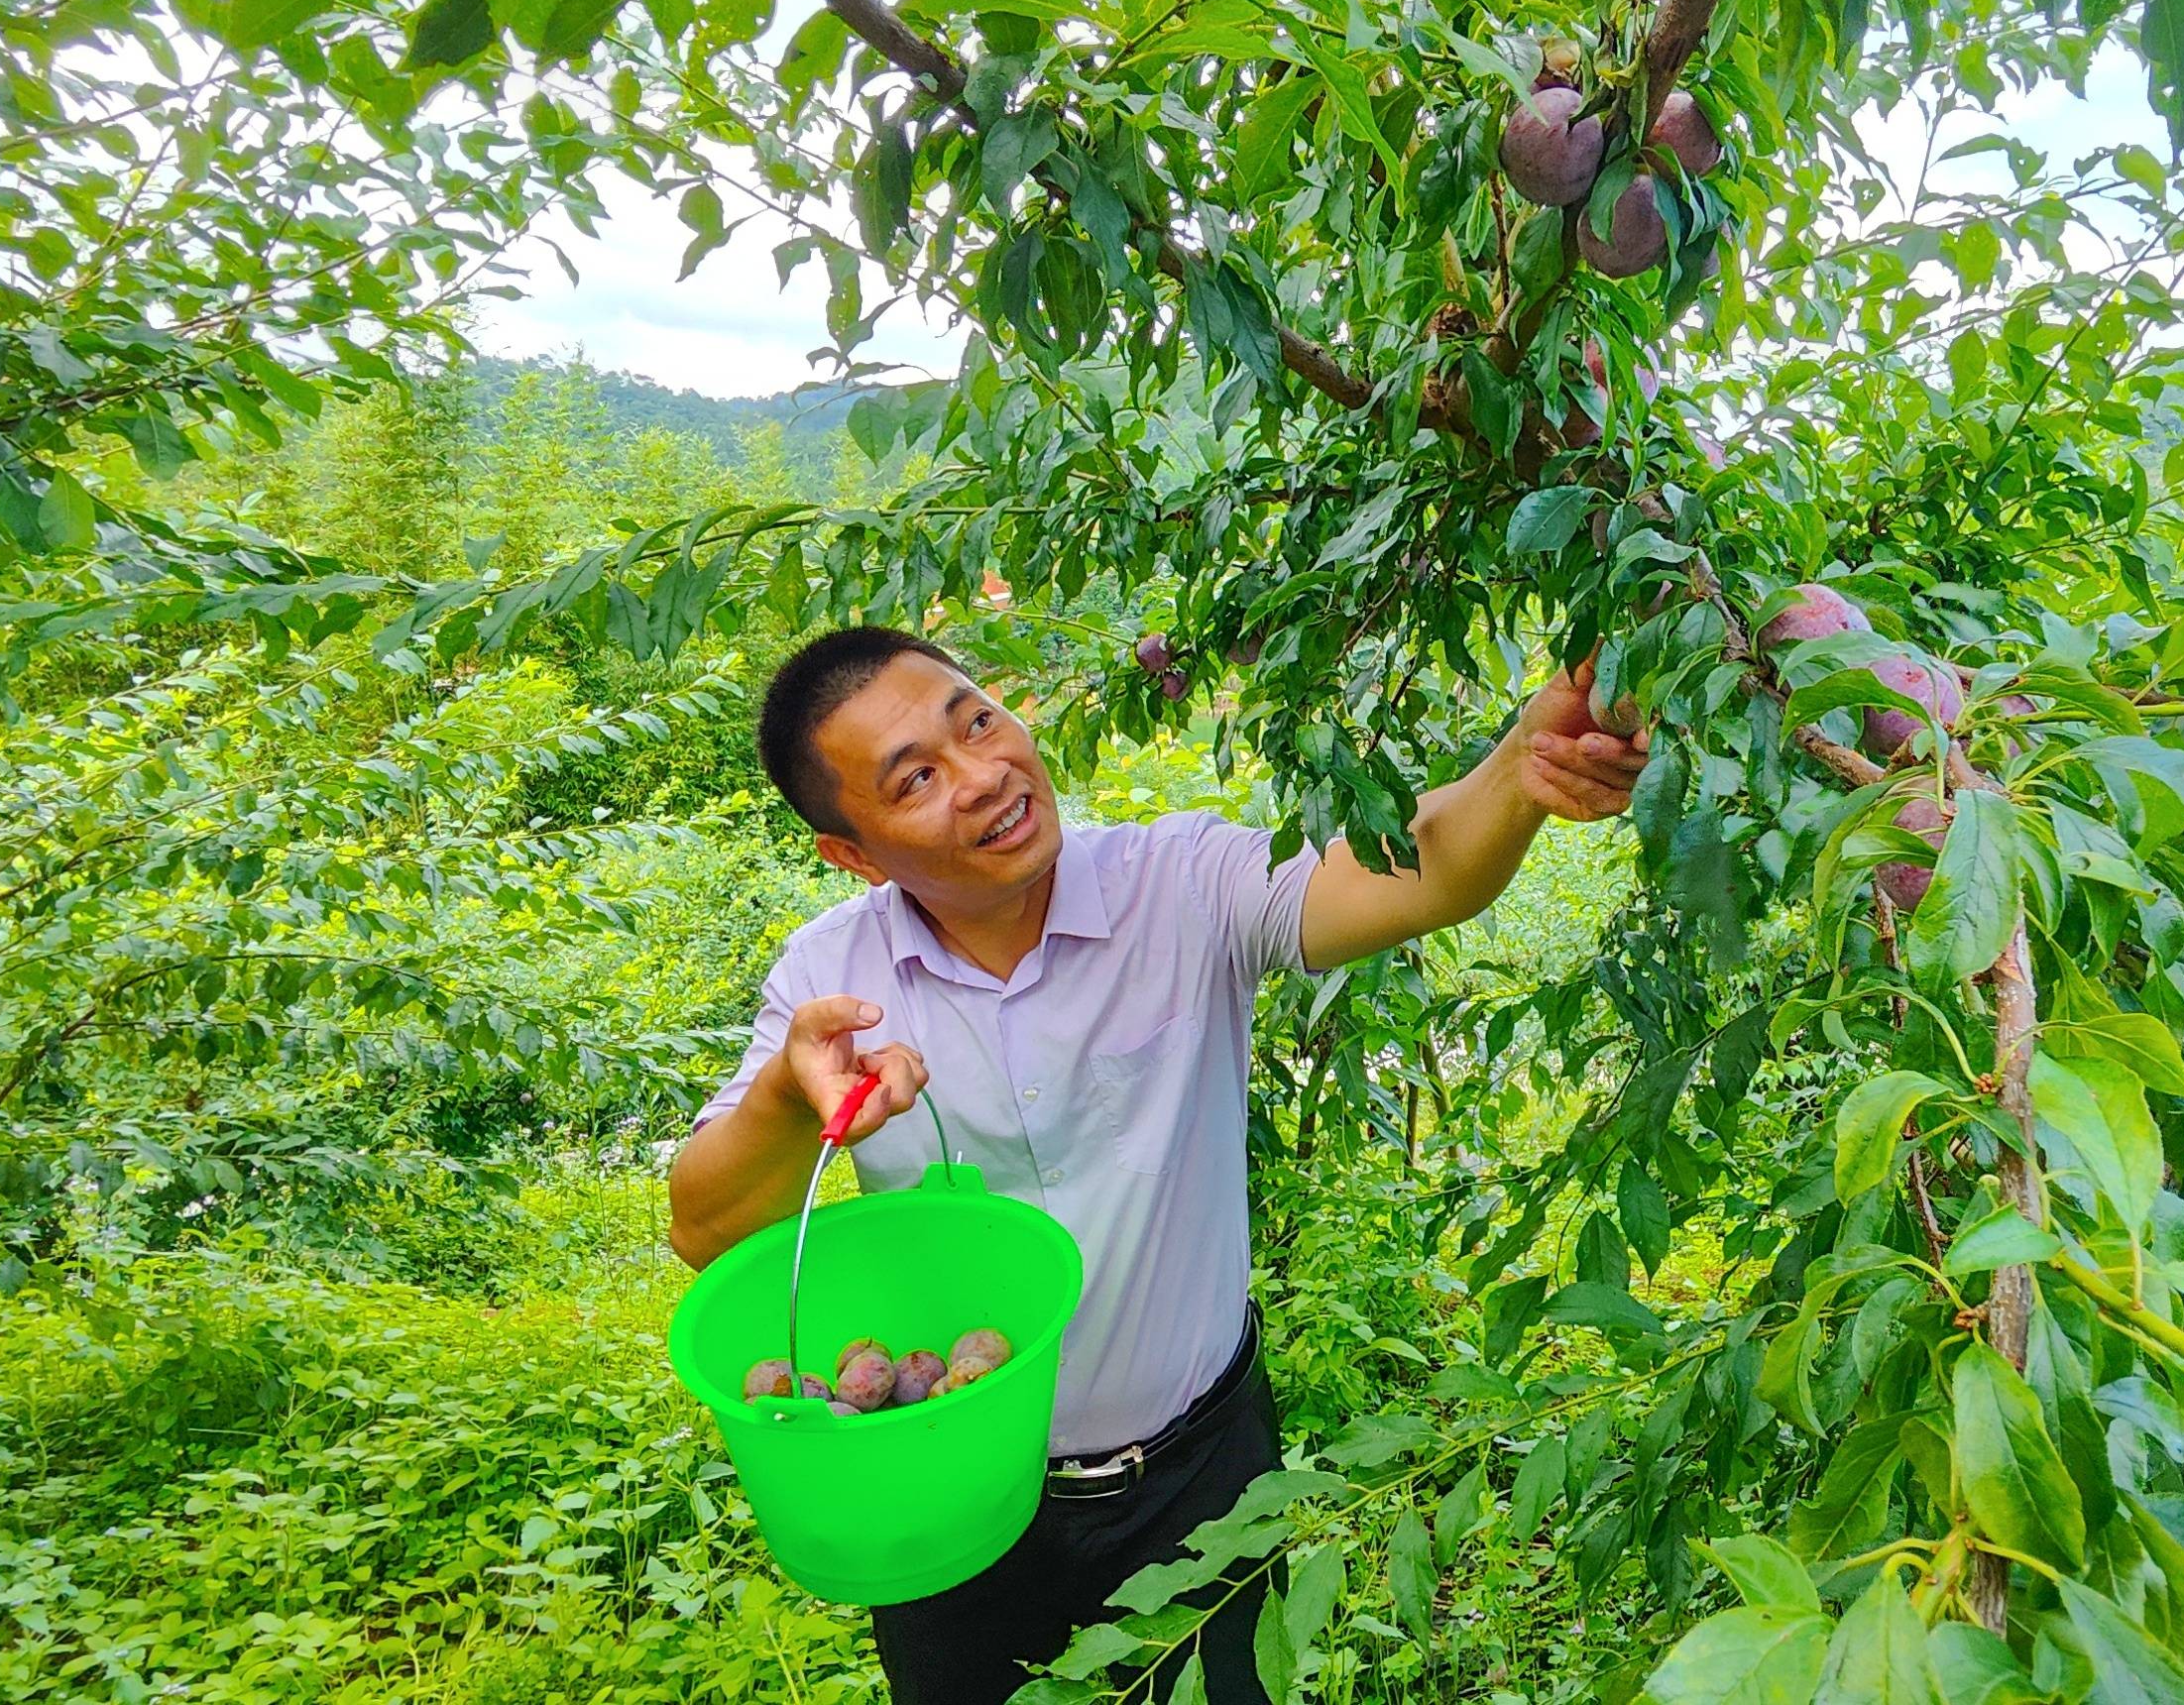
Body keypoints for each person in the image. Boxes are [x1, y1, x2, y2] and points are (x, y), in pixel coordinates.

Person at [667, 625, 1650, 1705]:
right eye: (916, 780)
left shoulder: (1178, 884)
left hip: (1204, 1478)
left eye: (978, 721)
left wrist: (1519, 765)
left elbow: (1414, 872)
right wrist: (783, 1101)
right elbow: (710, 1230)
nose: (985, 776)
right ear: (853, 852)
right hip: (948, 1487)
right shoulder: (830, 977)